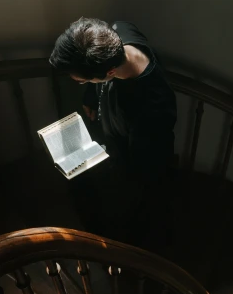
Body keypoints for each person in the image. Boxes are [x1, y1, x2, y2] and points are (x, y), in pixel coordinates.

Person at [49, 18, 177, 248]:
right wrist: (90, 93)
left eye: (81, 80)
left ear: (109, 72)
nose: (75, 81)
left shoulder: (149, 111)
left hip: (137, 169)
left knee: (135, 217)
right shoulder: (119, 33)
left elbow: (142, 171)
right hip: (118, 145)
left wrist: (98, 160)